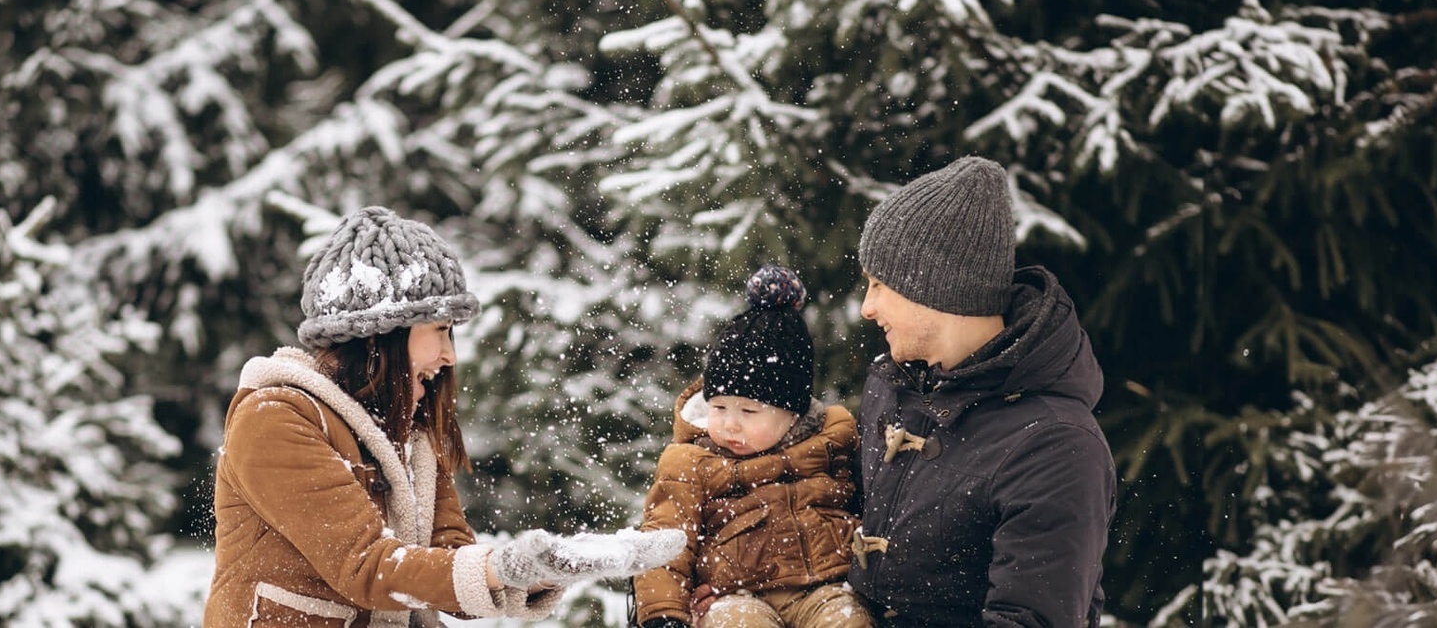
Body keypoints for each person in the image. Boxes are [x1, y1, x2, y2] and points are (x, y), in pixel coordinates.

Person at [206, 206, 684, 628]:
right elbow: (368, 567)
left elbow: (446, 562)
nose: (449, 354)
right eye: (439, 329)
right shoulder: (274, 419)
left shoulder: (405, 433)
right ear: (381, 333)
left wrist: (545, 567)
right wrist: (501, 567)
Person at [845, 156, 1116, 626]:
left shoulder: (1056, 446)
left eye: (879, 284)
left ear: (933, 287)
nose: (867, 308)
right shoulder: (893, 386)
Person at [634, 265, 871, 628]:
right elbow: (664, 538)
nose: (730, 424)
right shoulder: (692, 461)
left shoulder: (832, 442)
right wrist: (664, 613)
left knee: (848, 621)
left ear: (792, 413)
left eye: (748, 411)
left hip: (825, 590)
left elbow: (873, 506)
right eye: (718, 408)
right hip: (735, 597)